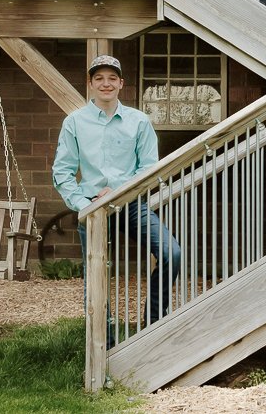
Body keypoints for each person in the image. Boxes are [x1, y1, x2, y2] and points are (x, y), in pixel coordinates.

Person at [52, 55, 182, 332]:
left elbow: (149, 168)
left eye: (112, 78)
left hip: (131, 204)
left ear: (121, 83)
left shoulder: (138, 121)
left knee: (172, 253)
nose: (105, 83)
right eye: (99, 78)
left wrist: (121, 191)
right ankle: (104, 335)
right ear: (90, 84)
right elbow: (62, 172)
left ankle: (153, 323)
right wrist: (81, 205)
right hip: (93, 208)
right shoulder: (75, 122)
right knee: (95, 273)